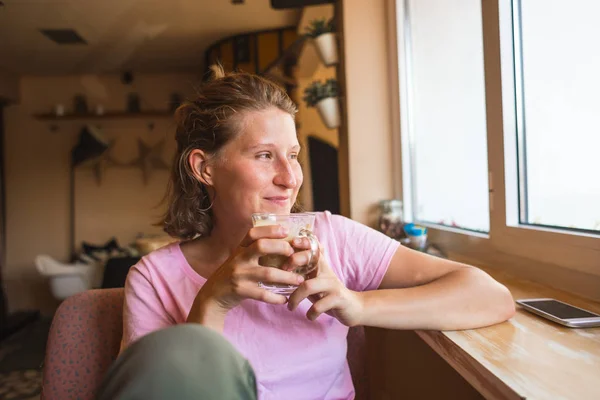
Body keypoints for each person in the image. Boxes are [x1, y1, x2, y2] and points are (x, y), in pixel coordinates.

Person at [97, 66, 515, 400]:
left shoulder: (333, 238)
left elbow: (489, 296)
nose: (290, 177)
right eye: (264, 156)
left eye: (293, 155)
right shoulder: (153, 278)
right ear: (204, 168)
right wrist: (213, 301)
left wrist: (357, 305)